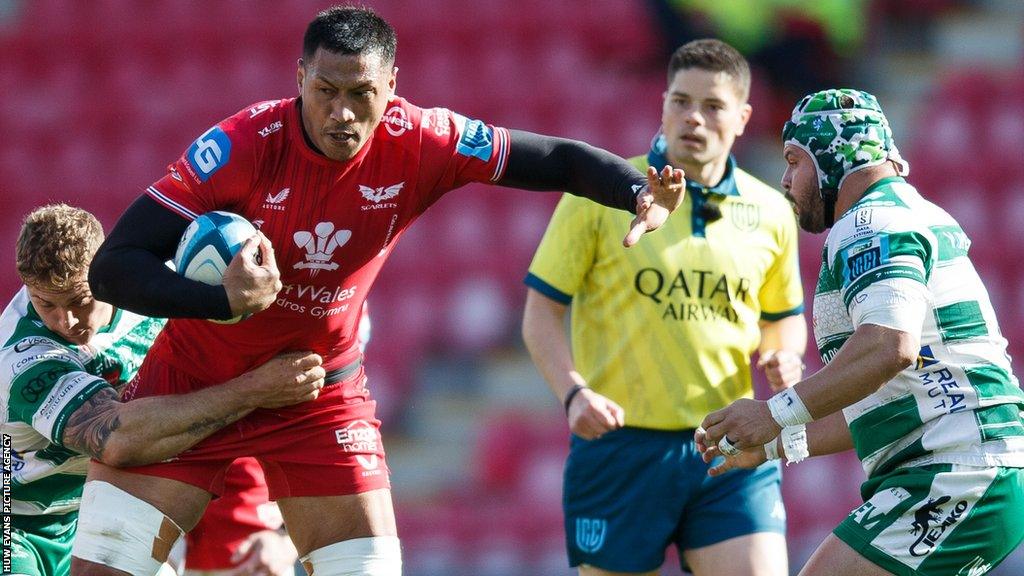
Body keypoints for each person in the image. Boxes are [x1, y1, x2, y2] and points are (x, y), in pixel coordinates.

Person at [74, 6, 685, 576]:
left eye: (361, 93)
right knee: (104, 563)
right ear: (299, 79)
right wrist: (221, 303)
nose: (342, 112)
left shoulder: (423, 139)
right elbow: (113, 268)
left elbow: (554, 158)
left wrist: (636, 191)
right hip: (196, 381)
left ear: (392, 84)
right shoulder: (241, 145)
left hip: (316, 396)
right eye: (326, 91)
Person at [697, 89, 1024, 576]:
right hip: (965, 473)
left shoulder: (871, 222)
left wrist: (773, 412)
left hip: (958, 474)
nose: (785, 179)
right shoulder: (896, 214)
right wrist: (774, 443)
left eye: (794, 160)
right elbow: (881, 402)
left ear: (834, 156)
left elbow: (890, 347)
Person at [521, 39, 806, 576]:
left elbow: (783, 316)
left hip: (729, 446)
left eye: (713, 106)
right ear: (663, 104)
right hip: (620, 449)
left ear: (743, 117)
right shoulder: (600, 195)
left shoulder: (771, 210)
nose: (693, 118)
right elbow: (540, 311)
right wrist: (573, 394)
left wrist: (784, 354)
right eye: (681, 101)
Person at [2, 204, 326, 576]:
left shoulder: (160, 288)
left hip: (106, 505)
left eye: (79, 301)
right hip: (17, 523)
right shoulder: (22, 358)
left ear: (103, 273)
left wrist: (277, 530)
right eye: (46, 304)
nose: (66, 321)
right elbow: (118, 439)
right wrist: (253, 390)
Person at [182, 305, 370, 576]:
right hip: (166, 494)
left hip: (246, 548)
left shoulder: (338, 302)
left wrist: (284, 540)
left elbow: (328, 416)